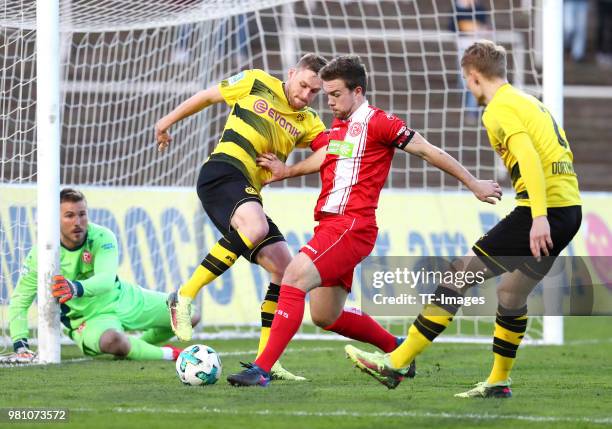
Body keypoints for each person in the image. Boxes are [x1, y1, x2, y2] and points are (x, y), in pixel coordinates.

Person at [226, 55, 502, 387]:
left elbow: (428, 150)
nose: (328, 102)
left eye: (335, 94)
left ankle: (262, 369)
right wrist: (287, 171)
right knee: (325, 315)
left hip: (351, 225)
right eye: (325, 95)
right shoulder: (340, 127)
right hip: (331, 227)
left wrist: (473, 182)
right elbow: (326, 156)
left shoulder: (379, 122)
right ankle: (397, 350)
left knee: (293, 277)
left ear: (357, 91)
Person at [345, 40, 582, 398]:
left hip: (545, 209)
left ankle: (396, 362)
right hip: (569, 209)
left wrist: (538, 216)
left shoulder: (499, 109)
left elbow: (529, 157)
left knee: (459, 274)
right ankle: (498, 382)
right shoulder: (527, 101)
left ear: (473, 78)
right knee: (510, 294)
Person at [155, 53, 330, 381]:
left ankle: (268, 361)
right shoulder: (256, 81)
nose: (305, 95)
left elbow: (330, 151)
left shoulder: (309, 120)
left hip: (247, 191)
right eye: (303, 85)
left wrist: (288, 170)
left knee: (286, 269)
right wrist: (165, 123)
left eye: (314, 92)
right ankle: (185, 295)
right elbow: (208, 96)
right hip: (221, 172)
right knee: (256, 226)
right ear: (291, 73)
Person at [4, 189, 197, 364]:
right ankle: (170, 354)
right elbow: (20, 300)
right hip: (87, 320)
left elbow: (105, 280)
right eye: (69, 216)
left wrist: (75, 288)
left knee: (189, 314)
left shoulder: (102, 237)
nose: (78, 222)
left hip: (122, 298)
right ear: (55, 219)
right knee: (113, 340)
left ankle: (137, 346)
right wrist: (20, 345)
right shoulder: (42, 255)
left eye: (82, 214)